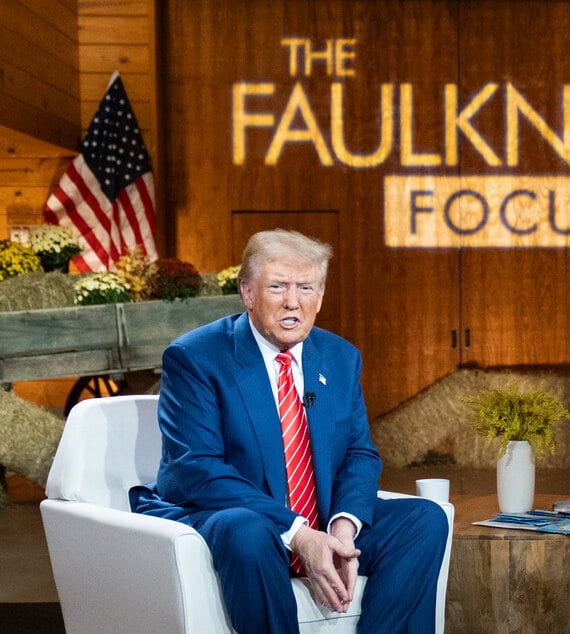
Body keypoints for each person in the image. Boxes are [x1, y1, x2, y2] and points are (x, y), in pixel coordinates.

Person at [131, 229, 448, 633]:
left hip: (318, 517)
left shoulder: (339, 357)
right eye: (277, 287)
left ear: (321, 295)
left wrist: (342, 529)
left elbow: (358, 453)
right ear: (247, 293)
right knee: (248, 530)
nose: (293, 302)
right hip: (232, 517)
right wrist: (298, 533)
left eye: (306, 288)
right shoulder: (195, 358)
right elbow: (197, 468)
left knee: (424, 519)